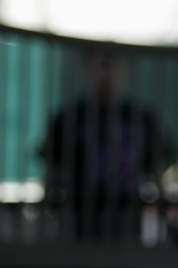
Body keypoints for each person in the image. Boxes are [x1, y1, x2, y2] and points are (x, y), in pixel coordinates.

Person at [38, 50, 167, 243]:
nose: (105, 73)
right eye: (99, 64)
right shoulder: (68, 117)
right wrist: (46, 213)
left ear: (124, 69)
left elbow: (157, 169)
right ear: (87, 68)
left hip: (126, 221)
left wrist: (163, 215)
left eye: (112, 65)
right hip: (78, 220)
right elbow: (51, 170)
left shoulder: (141, 118)